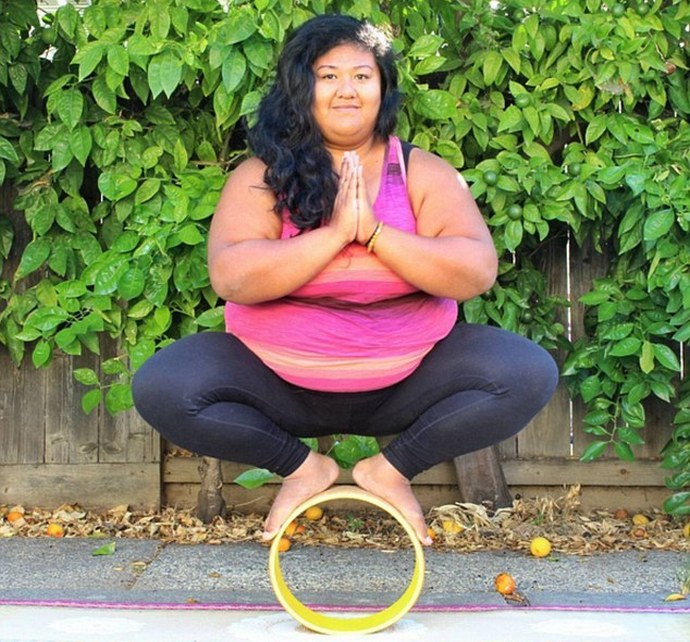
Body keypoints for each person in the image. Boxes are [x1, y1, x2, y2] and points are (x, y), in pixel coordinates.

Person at [132, 14, 558, 546]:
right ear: (302, 88)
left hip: (407, 382)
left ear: (383, 88)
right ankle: (303, 469)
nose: (347, 90)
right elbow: (233, 277)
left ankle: (390, 471)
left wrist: (374, 232)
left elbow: (473, 271)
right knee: (163, 386)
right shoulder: (261, 176)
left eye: (362, 75)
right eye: (328, 76)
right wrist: (336, 234)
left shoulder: (422, 172)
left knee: (527, 372)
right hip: (280, 384)